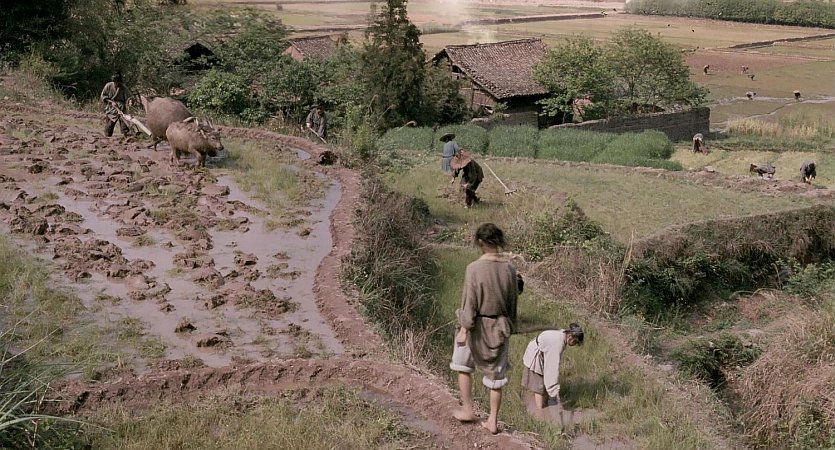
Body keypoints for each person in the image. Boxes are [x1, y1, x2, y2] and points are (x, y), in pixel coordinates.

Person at [450, 223, 519, 435]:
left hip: (477, 325)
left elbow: (469, 303)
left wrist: (464, 329)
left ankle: (468, 409)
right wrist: (510, 325)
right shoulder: (510, 269)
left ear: (480, 242)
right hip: (500, 326)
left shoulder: (474, 268)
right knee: (496, 377)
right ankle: (493, 421)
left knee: (462, 365)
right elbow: (513, 303)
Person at [521, 324, 584, 416]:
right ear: (570, 337)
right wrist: (554, 390)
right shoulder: (557, 343)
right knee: (539, 387)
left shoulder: (563, 335)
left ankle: (545, 404)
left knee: (544, 386)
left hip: (542, 352)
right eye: (576, 342)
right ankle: (540, 413)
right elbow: (552, 369)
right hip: (536, 355)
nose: (575, 344)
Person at [100, 72, 132, 137]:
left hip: (121, 109)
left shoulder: (123, 87)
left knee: (124, 125)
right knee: (109, 127)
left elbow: (129, 96)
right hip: (111, 108)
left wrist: (130, 102)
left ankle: (126, 136)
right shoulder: (108, 85)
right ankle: (108, 137)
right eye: (115, 82)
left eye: (118, 82)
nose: (116, 83)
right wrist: (111, 102)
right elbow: (103, 96)